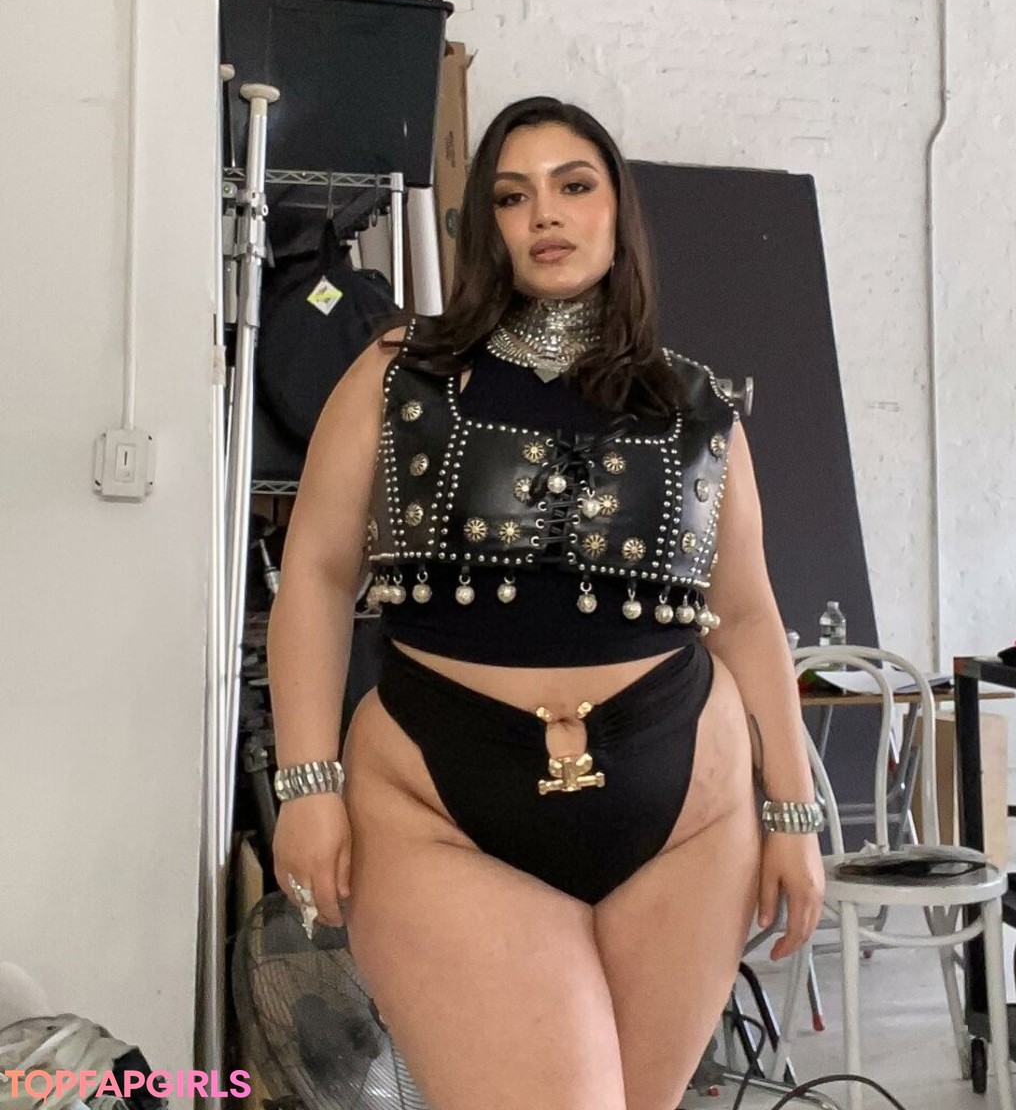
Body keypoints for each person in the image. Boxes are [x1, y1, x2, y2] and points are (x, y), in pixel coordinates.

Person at [267, 95, 825, 1110]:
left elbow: (747, 614)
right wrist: (307, 784)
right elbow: (315, 573)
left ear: (618, 212)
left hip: (687, 820)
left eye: (574, 186)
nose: (546, 215)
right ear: (486, 225)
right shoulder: (399, 375)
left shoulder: (697, 404)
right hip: (437, 806)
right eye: (513, 197)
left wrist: (793, 813)